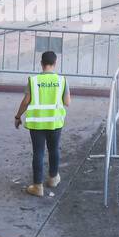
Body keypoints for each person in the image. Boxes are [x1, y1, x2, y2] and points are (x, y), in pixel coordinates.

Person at [14, 50, 70, 197]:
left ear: (41, 63)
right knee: (54, 150)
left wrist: (18, 116)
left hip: (37, 123)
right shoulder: (61, 80)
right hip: (54, 122)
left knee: (38, 153)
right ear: (55, 64)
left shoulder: (33, 80)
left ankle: (37, 186)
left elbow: (26, 101)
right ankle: (53, 178)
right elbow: (67, 102)